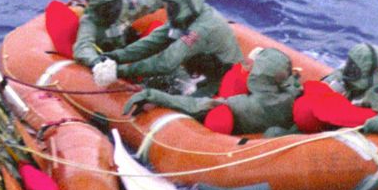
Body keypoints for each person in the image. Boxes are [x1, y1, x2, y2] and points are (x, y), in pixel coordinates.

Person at [106, 0, 242, 94]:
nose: (168, 10)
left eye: (172, 5)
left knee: (163, 99)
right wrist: (115, 56)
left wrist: (120, 71)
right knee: (156, 81)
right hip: (197, 73)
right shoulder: (186, 17)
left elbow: (167, 62)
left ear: (184, 3)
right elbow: (153, 41)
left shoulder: (201, 29)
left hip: (218, 82)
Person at [123, 48, 301, 136]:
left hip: (227, 128)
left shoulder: (242, 104)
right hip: (272, 131)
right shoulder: (294, 94)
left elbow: (194, 105)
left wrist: (151, 94)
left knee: (217, 114)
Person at [72, 0, 160, 86]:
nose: (113, 11)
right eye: (106, 7)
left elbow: (153, 1)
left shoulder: (127, 6)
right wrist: (96, 62)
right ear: (96, 8)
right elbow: (83, 46)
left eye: (115, 4)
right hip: (111, 63)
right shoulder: (90, 22)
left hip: (132, 55)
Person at [323, 42, 378, 134]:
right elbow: (319, 88)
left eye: (354, 68)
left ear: (367, 72)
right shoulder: (343, 78)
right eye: (349, 64)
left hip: (349, 131)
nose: (349, 70)